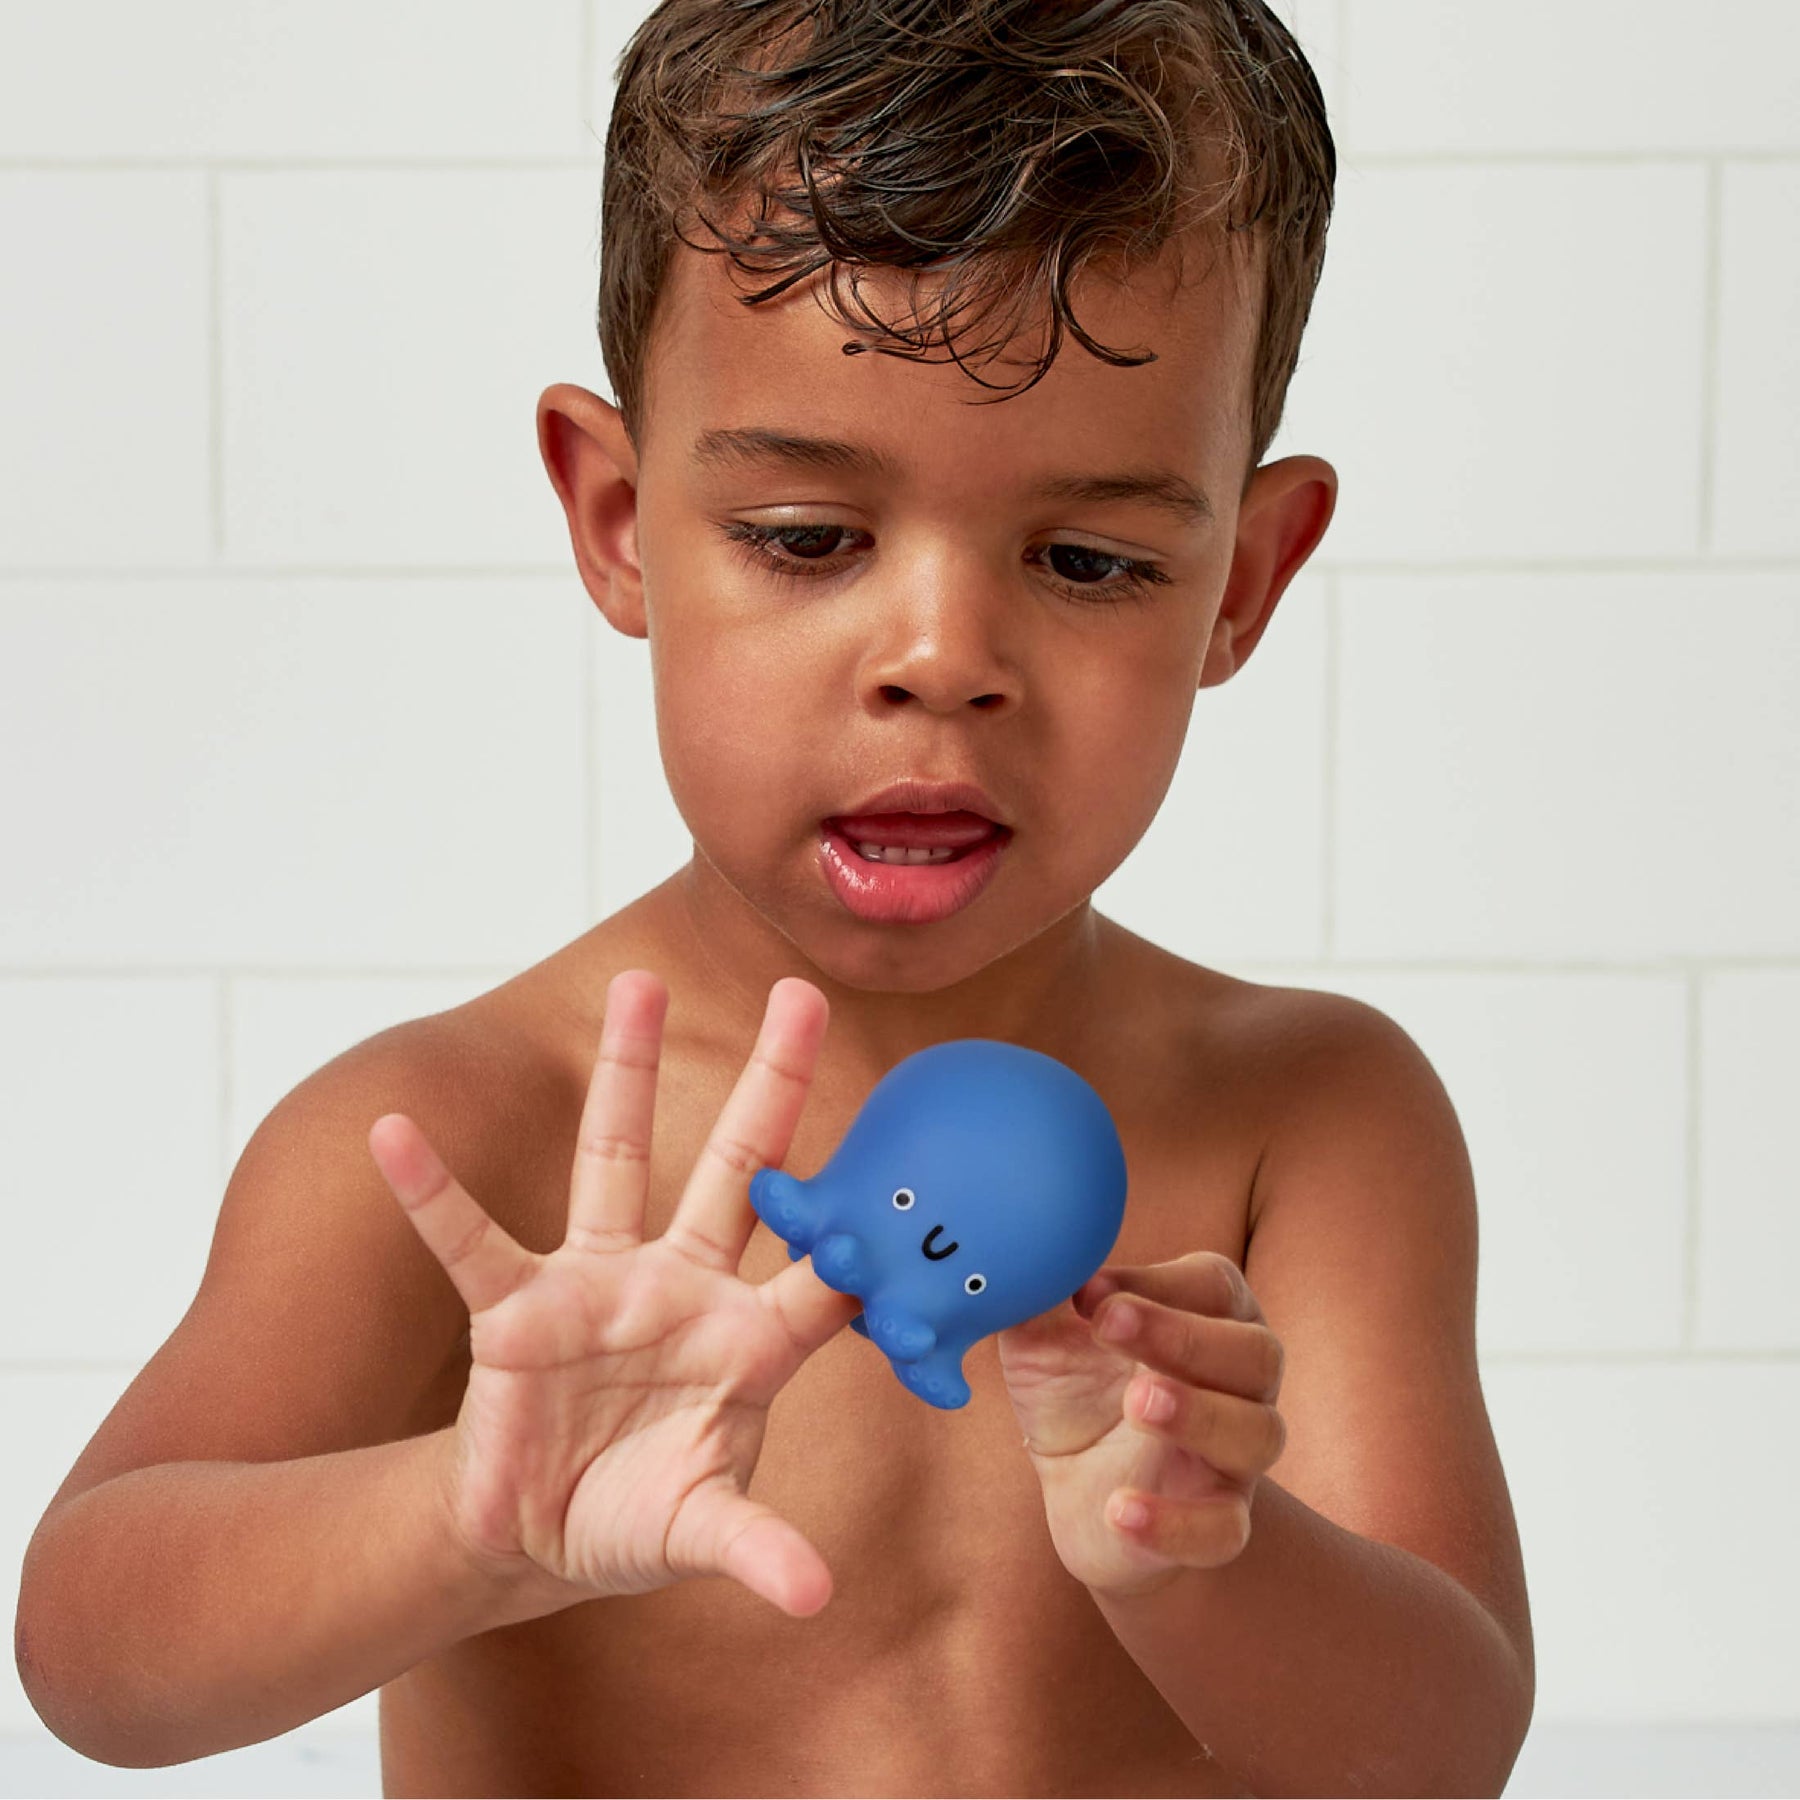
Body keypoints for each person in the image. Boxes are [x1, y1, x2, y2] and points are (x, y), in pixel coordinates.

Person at [14, 0, 1535, 1792]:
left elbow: (1442, 1755)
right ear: (617, 519)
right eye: (809, 538)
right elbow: (91, 1658)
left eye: (1090, 558)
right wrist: (467, 1516)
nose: (942, 658)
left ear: (1244, 581)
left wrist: (1206, 1553)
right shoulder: (459, 1132)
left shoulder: (1313, 1120)